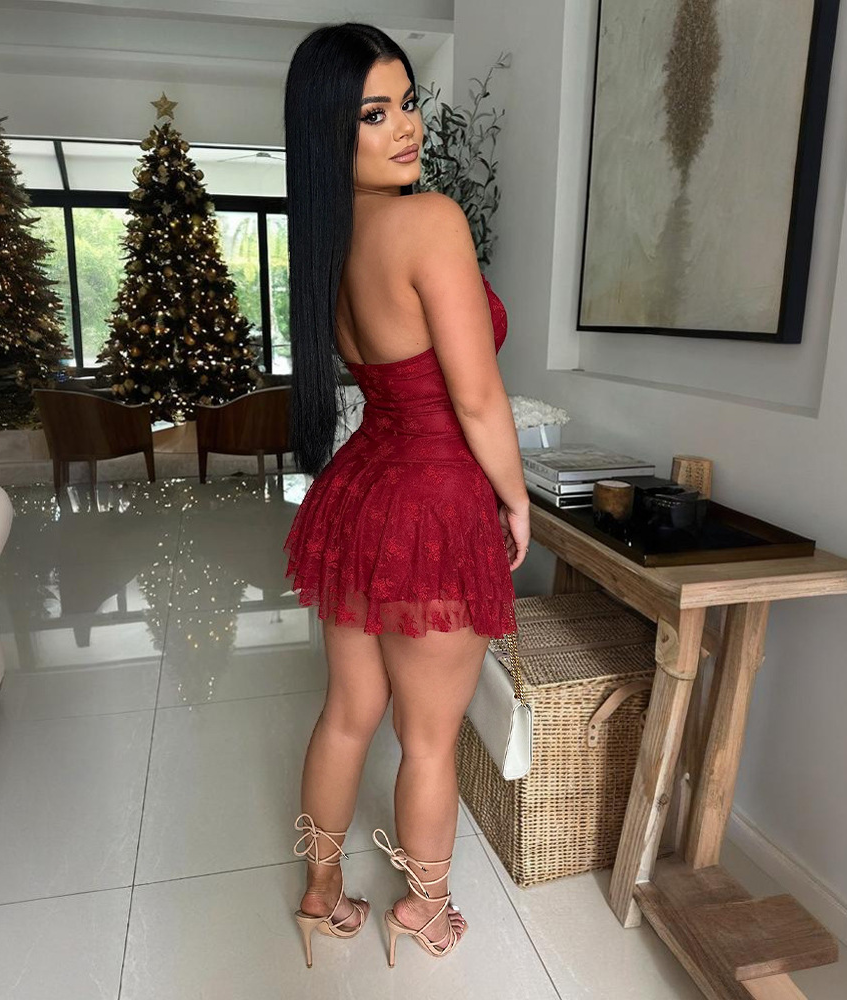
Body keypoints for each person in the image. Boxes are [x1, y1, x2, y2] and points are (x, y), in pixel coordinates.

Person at [282, 22, 530, 969]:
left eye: (409, 103)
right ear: (328, 131)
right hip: (431, 500)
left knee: (348, 714)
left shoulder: (330, 243)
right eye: (372, 114)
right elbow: (477, 397)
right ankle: (423, 912)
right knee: (428, 738)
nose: (406, 127)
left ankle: (321, 894)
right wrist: (516, 499)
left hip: (360, 492)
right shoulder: (429, 222)